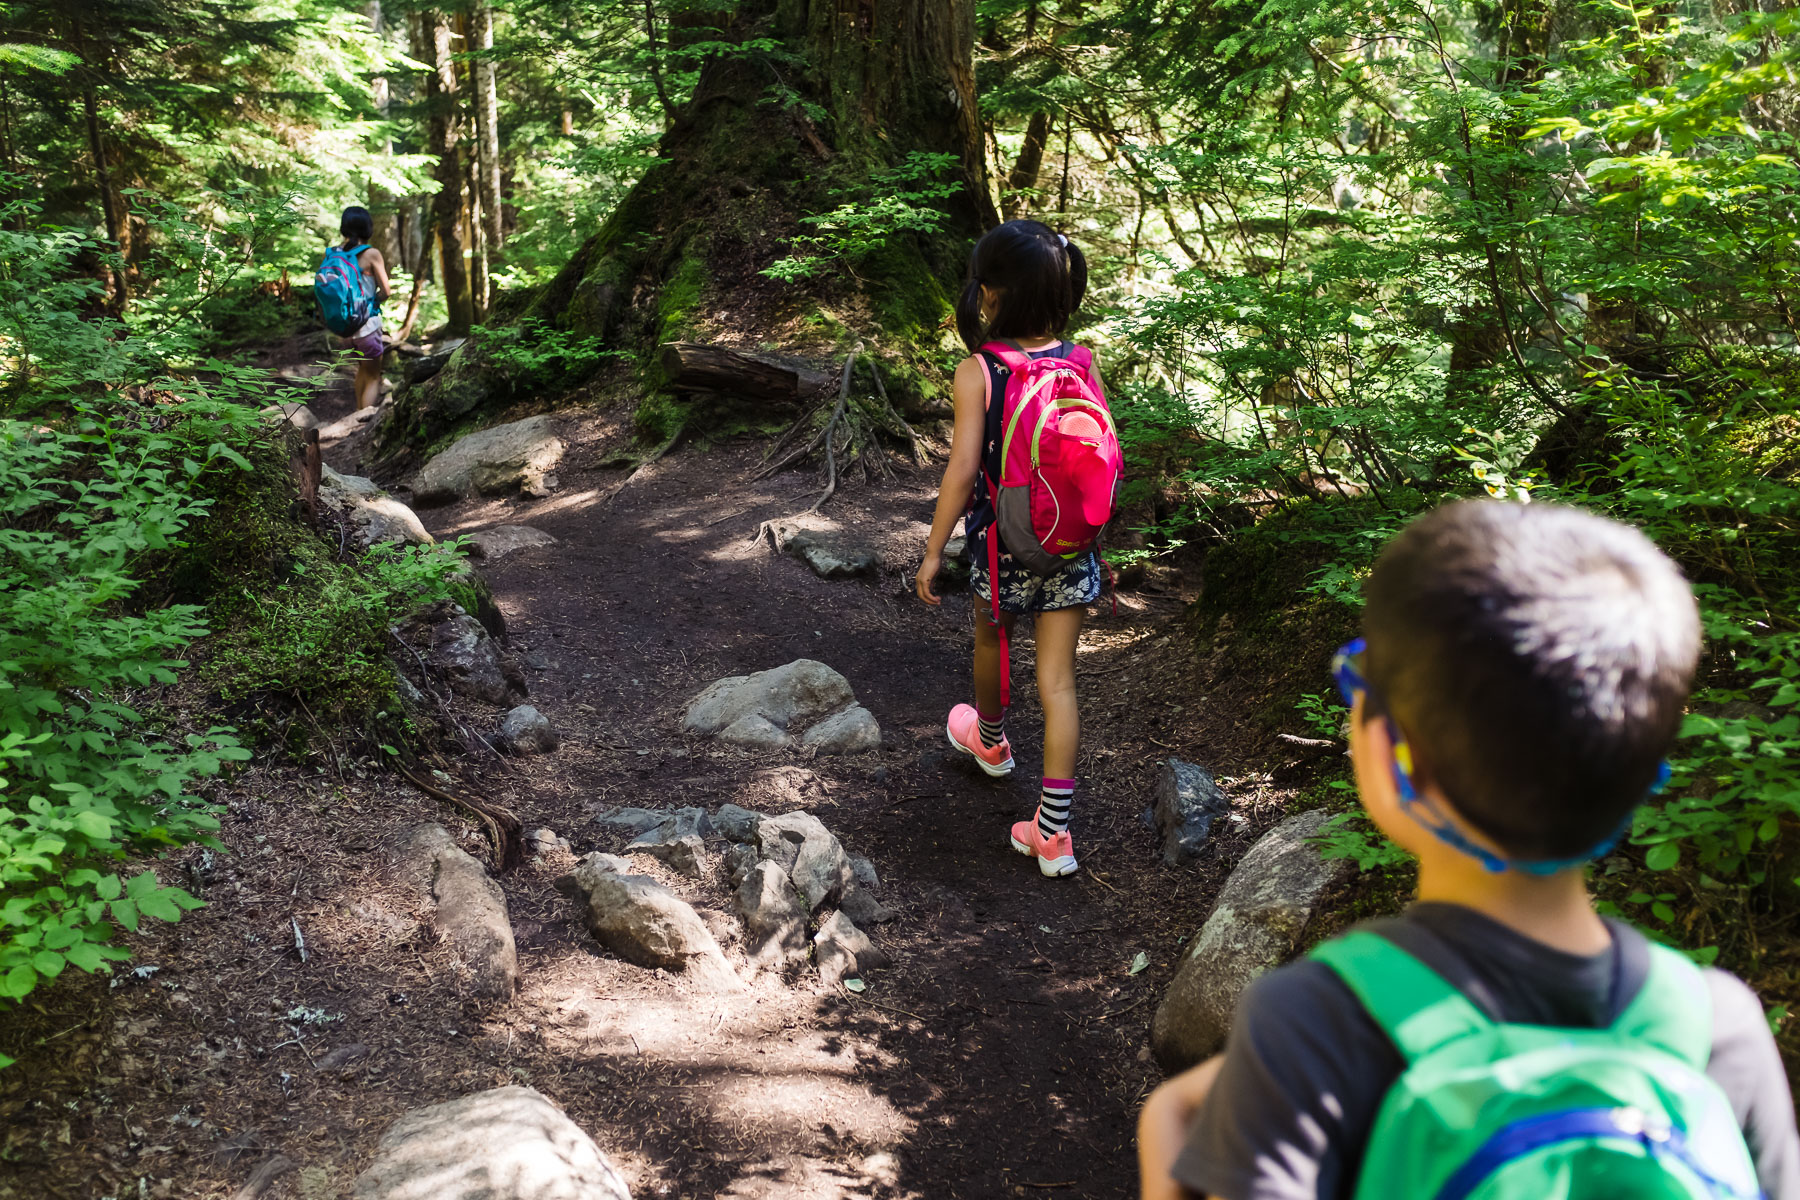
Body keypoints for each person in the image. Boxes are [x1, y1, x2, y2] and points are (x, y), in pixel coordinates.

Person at [1138, 500, 1800, 1200]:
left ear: (1395, 757)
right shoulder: (1718, 1028)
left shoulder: (1315, 1021)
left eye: (1358, 683)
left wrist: (1163, 1131)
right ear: (1643, 774)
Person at [914, 219, 1106, 878]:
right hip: (1071, 545)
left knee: (992, 638)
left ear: (990, 294)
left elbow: (963, 470)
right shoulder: (1081, 361)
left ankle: (991, 743)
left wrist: (934, 550)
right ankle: (1053, 834)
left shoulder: (980, 371)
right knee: (1058, 683)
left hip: (1003, 544)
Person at [337, 206, 390, 411]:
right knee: (374, 376)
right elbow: (386, 291)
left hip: (345, 327)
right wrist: (372, 302)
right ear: (367, 228)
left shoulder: (336, 254)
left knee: (362, 370)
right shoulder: (371, 254)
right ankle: (363, 422)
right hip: (367, 325)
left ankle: (357, 414)